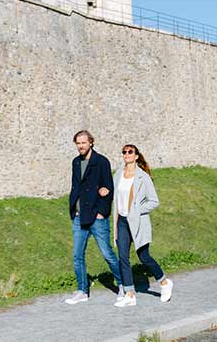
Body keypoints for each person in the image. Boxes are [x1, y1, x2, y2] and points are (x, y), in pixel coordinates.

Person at [103, 144, 173, 307]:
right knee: (123, 257)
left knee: (144, 257)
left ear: (136, 156)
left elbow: (154, 201)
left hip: (138, 222)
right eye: (124, 152)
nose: (126, 154)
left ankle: (164, 282)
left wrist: (137, 210)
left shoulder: (143, 177)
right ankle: (130, 294)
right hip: (121, 221)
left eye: (130, 152)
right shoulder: (118, 174)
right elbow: (113, 194)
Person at [64, 130, 125, 305]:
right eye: (78, 143)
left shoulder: (101, 162)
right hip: (79, 216)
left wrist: (102, 212)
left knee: (107, 254)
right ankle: (82, 290)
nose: (81, 146)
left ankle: (123, 285)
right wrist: (72, 207)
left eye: (83, 142)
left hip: (97, 217)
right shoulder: (76, 162)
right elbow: (76, 186)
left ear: (91, 142)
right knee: (77, 256)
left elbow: (108, 189)